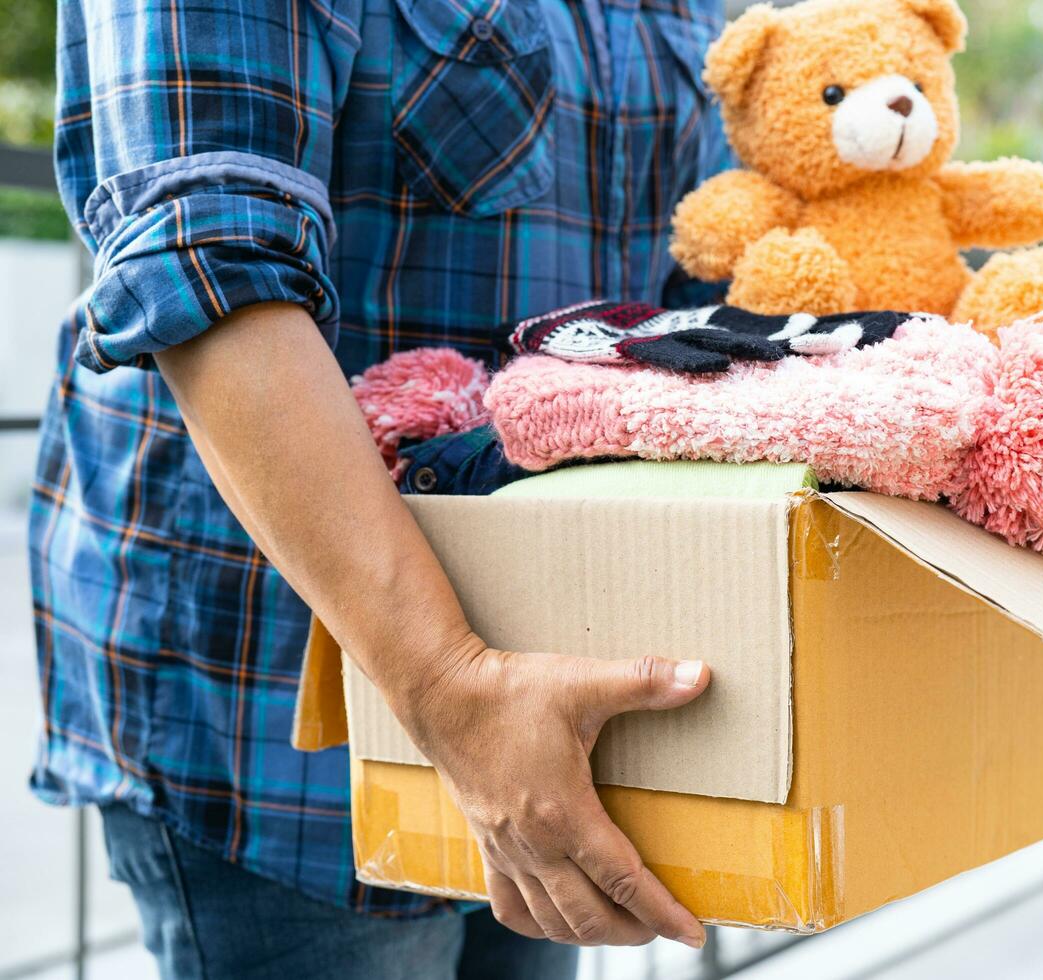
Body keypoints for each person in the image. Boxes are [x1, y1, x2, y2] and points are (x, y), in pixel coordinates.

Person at [30, 0, 730, 975]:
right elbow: (210, 271)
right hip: (272, 711)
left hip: (549, 688)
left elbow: (692, 277)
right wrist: (452, 687)